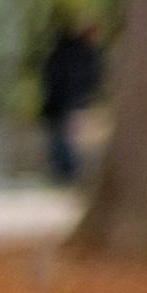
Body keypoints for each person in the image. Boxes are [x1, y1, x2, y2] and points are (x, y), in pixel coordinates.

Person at [37, 12, 105, 184]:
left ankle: (65, 172)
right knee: (64, 138)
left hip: (62, 101)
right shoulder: (81, 54)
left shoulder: (65, 51)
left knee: (62, 138)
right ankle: (65, 173)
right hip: (67, 101)